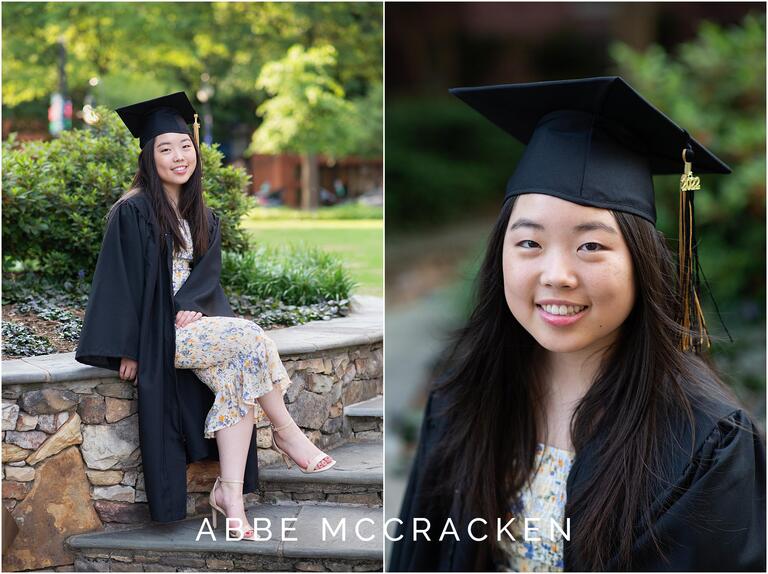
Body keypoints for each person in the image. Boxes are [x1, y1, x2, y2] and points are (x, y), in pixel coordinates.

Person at [389, 77, 765, 571]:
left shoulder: (703, 442)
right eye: (529, 243)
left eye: (591, 246)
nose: (557, 275)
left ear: (642, 263)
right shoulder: (463, 400)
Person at [75, 92, 336, 540]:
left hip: (189, 330)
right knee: (251, 336)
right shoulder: (131, 211)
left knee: (238, 377)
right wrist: (128, 348)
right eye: (166, 148)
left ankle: (230, 497)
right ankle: (287, 431)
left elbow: (206, 276)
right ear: (148, 156)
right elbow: (118, 282)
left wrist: (192, 304)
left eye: (185, 146)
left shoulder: (202, 215)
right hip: (156, 335)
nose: (179, 157)